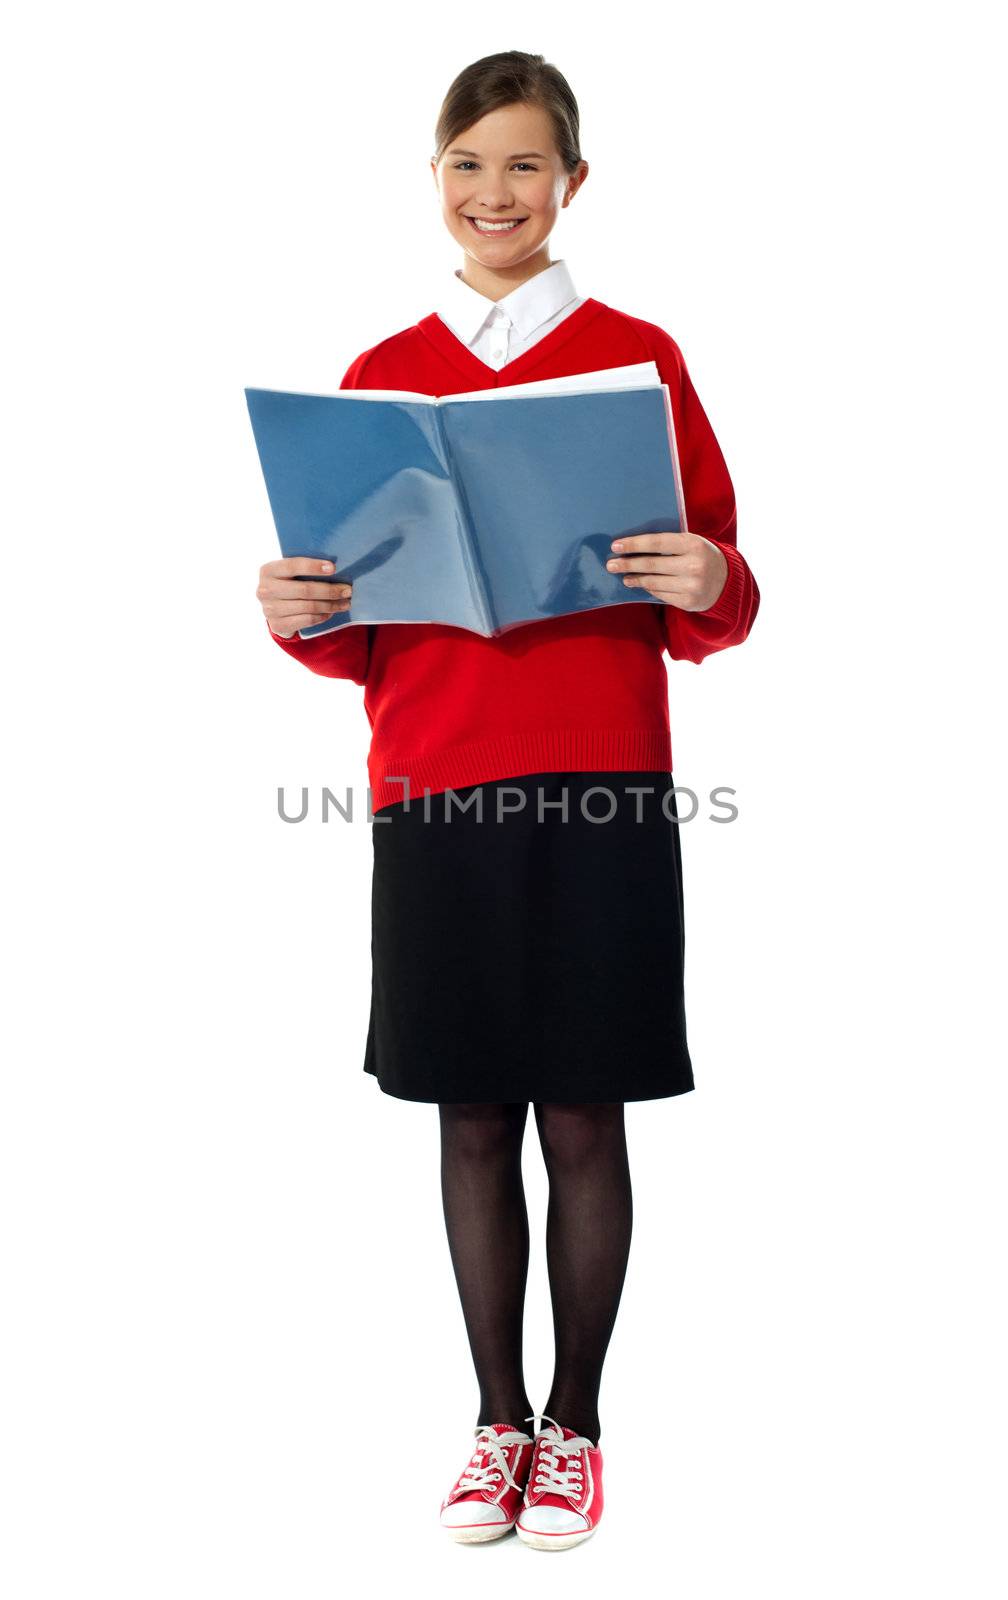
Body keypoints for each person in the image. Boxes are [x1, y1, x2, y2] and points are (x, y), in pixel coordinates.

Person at [255, 50, 760, 1552]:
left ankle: (579, 1426)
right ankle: (495, 1426)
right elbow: (354, 637)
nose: (496, 194)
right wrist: (295, 609)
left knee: (581, 1105)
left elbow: (717, 585)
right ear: (437, 178)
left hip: (601, 777)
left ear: (573, 184)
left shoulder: (639, 357)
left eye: (526, 167)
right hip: (434, 783)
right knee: (469, 1109)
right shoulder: (380, 374)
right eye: (471, 165)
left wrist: (712, 576)